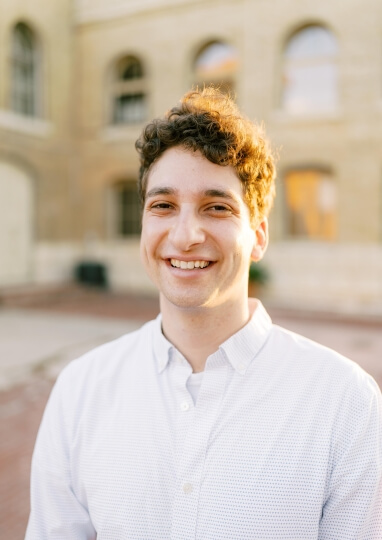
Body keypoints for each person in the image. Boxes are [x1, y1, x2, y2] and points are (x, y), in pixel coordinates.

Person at [26, 87, 381, 540]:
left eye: (216, 207)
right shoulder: (80, 390)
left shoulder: (344, 402)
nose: (186, 234)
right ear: (144, 225)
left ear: (258, 236)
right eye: (163, 206)